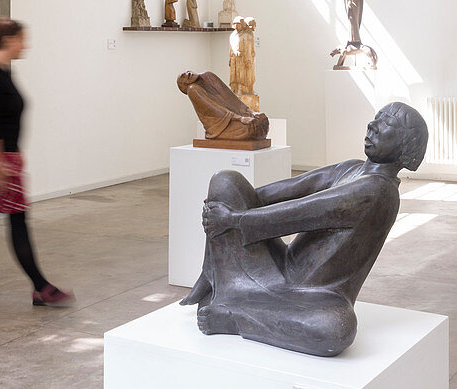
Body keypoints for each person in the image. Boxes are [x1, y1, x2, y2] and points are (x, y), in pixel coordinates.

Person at [181, 102, 427, 357]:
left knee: (335, 329)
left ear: (404, 146)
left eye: (386, 123)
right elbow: (292, 188)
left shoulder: (379, 191)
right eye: (377, 118)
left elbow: (300, 213)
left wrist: (234, 219)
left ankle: (236, 315)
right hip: (282, 268)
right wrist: (237, 203)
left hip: (317, 296)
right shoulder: (351, 168)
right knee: (225, 181)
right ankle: (213, 276)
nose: (372, 126)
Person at [0, 18, 74, 306]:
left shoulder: (3, 69)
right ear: (8, 40)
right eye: (21, 39)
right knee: (17, 219)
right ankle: (41, 287)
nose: (25, 45)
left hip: (6, 156)